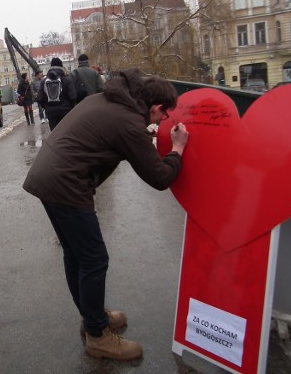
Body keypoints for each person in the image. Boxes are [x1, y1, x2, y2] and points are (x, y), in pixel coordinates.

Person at [23, 68, 189, 361]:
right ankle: (98, 337)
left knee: (76, 255)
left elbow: (107, 137)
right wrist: (177, 149)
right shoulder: (127, 122)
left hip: (46, 175)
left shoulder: (108, 100)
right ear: (156, 108)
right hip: (65, 183)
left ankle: (92, 318)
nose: (161, 121)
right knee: (94, 258)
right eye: (163, 116)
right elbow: (160, 178)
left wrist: (141, 133)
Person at [36, 57, 76, 131]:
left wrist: (46, 107)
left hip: (51, 113)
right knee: (65, 133)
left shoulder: (44, 81)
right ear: (61, 67)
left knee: (55, 135)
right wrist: (69, 107)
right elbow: (73, 97)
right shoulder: (67, 79)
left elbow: (39, 98)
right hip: (65, 111)